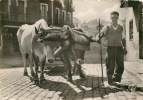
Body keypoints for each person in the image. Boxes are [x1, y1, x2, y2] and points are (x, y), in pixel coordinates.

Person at [92, 11, 127, 85]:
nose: (114, 19)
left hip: (119, 48)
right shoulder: (107, 27)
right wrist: (98, 38)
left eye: (116, 17)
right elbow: (100, 34)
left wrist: (125, 47)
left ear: (118, 18)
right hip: (110, 48)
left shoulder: (121, 27)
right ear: (111, 18)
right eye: (113, 17)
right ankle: (110, 80)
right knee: (110, 64)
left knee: (121, 65)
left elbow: (123, 38)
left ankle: (116, 78)